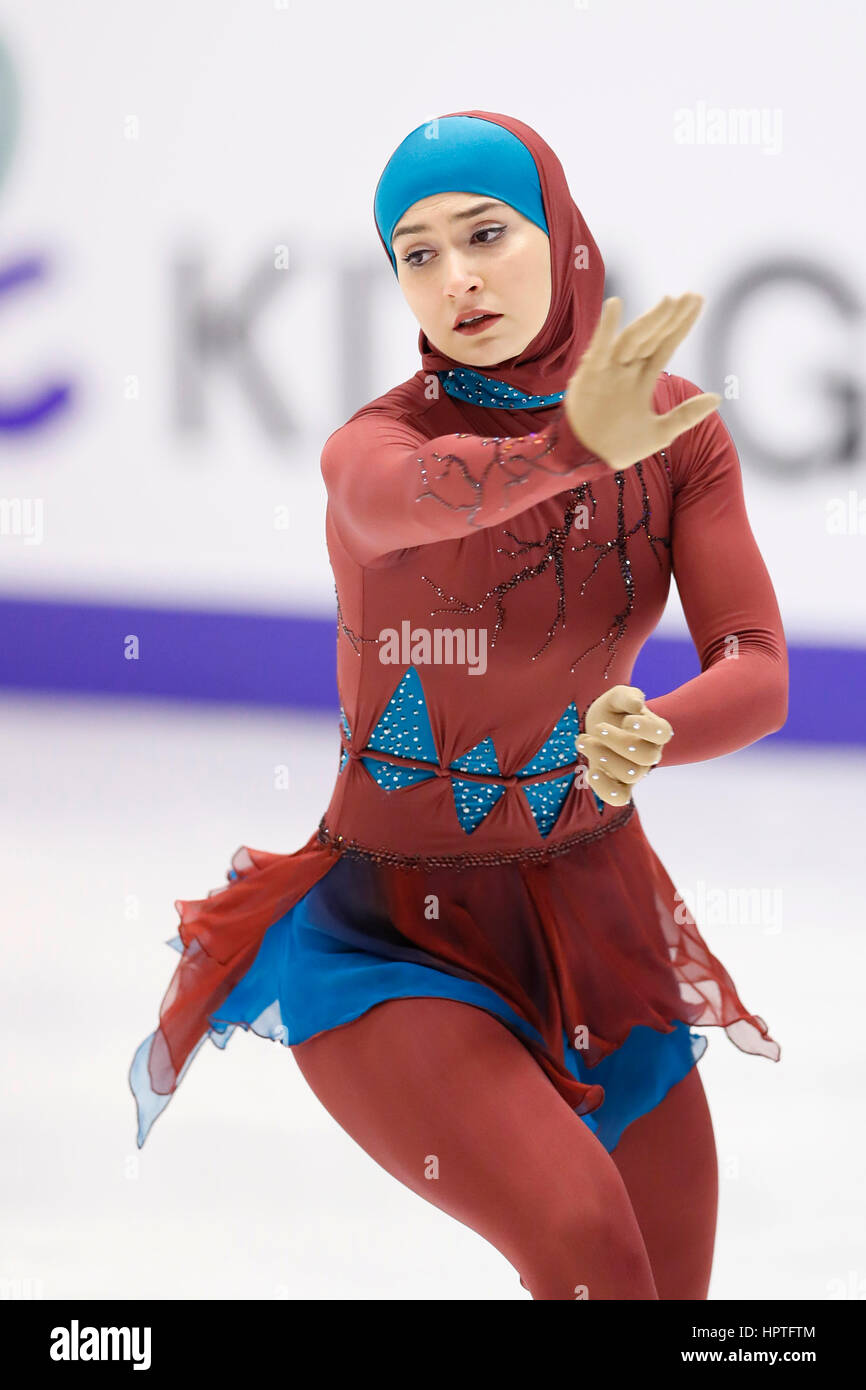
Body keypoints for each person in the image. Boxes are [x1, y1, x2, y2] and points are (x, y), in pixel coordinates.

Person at [129, 110, 788, 1300]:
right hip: (390, 937)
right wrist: (574, 448)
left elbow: (758, 665)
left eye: (485, 233)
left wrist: (655, 732)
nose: (455, 276)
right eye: (416, 253)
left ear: (562, 235)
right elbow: (406, 507)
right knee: (587, 1247)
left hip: (597, 919)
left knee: (667, 1290)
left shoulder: (678, 432)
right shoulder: (372, 446)